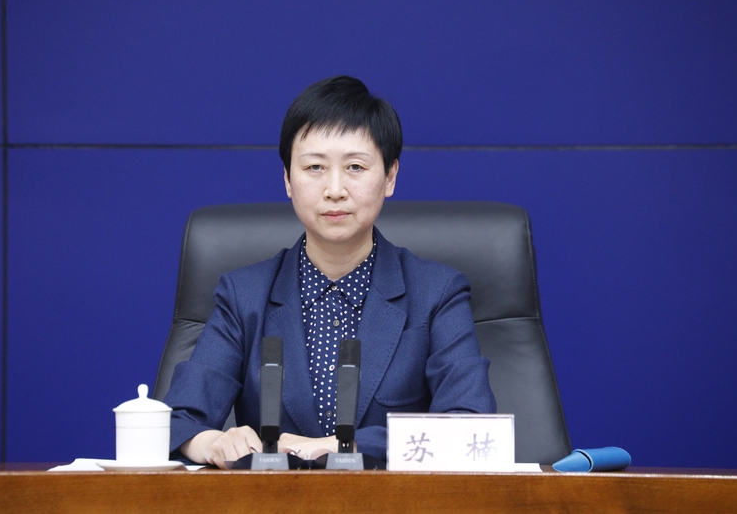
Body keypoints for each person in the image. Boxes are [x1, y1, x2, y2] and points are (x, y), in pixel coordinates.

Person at [164, 75, 495, 467]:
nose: (334, 189)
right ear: (288, 179)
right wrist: (212, 443)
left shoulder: (436, 293)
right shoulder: (244, 296)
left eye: (355, 167)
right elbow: (179, 422)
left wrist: (340, 446)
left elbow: (471, 425)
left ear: (390, 176)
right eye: (315, 167)